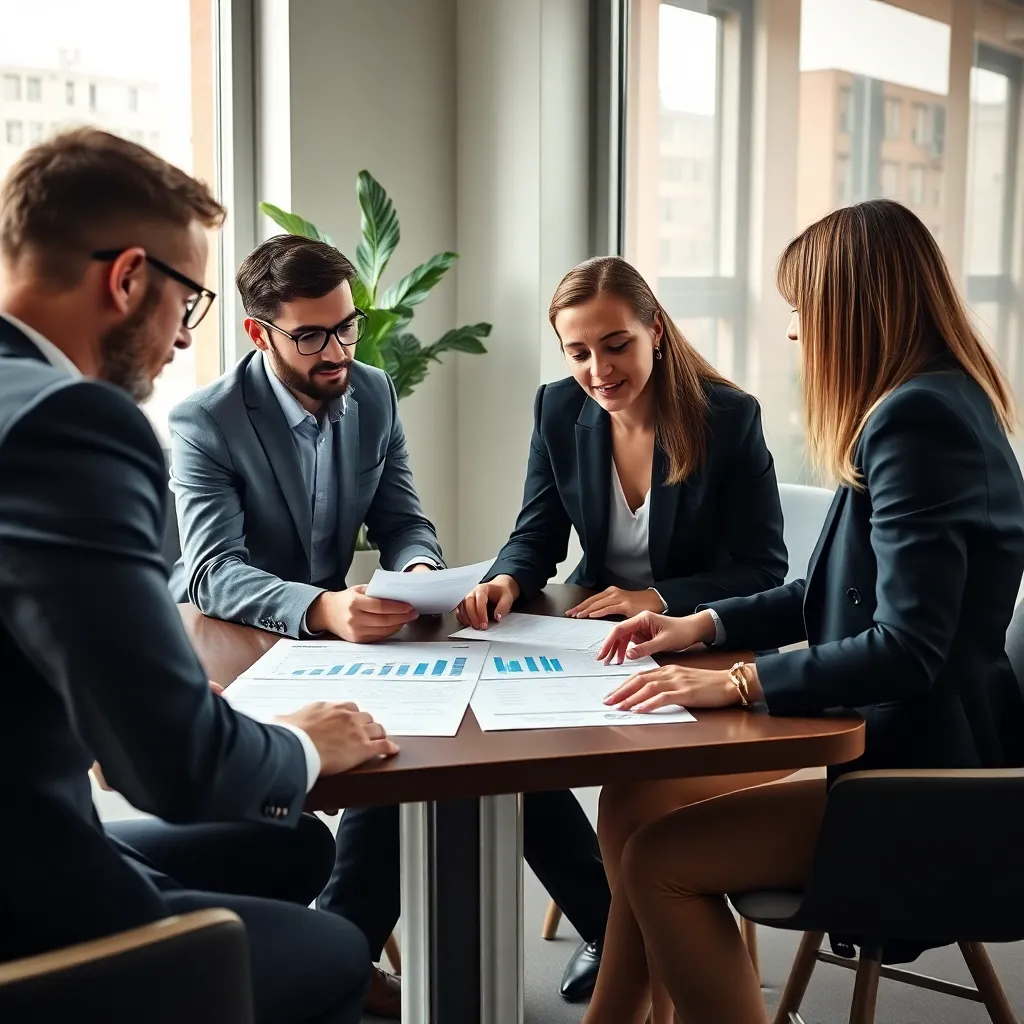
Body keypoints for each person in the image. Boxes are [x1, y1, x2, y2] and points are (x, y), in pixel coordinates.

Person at [583, 199, 1024, 1024]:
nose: (796, 334)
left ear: (851, 309)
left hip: (928, 776)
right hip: (891, 733)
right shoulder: (928, 403)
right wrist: (701, 628)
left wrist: (741, 683)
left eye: (802, 310)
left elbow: (907, 648)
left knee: (658, 863)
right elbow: (831, 593)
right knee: (636, 796)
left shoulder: (917, 421)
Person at [0, 129, 398, 1024]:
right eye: (191, 301)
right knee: (337, 949)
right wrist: (303, 744)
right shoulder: (71, 426)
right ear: (129, 278)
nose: (185, 338)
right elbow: (171, 766)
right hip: (29, 904)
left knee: (293, 850)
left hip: (41, 816)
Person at [168, 235, 614, 1015]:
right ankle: (344, 957)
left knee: (491, 736)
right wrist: (322, 606)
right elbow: (213, 571)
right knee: (392, 755)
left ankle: (352, 954)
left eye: (347, 325)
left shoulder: (371, 391)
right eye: (311, 335)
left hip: (347, 638)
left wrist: (416, 573)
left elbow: (405, 518)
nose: (338, 348)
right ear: (258, 332)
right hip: (237, 643)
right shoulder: (205, 421)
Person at [457, 254, 790, 1002]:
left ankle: (626, 951)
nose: (598, 369)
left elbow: (765, 569)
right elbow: (535, 533)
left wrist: (658, 597)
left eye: (616, 345)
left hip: (708, 653)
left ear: (655, 333)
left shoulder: (726, 417)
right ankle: (621, 935)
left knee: (631, 803)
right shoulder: (557, 409)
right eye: (579, 352)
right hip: (598, 646)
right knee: (512, 755)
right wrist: (507, 578)